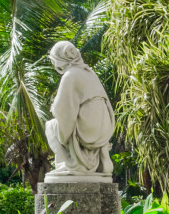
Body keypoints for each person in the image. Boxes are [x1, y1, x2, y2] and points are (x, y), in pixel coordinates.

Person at [43, 40, 115, 181]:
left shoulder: (70, 75)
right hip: (102, 129)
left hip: (87, 128)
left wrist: (55, 108)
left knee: (51, 126)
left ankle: (69, 164)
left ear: (59, 58)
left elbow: (65, 111)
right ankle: (98, 159)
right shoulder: (90, 73)